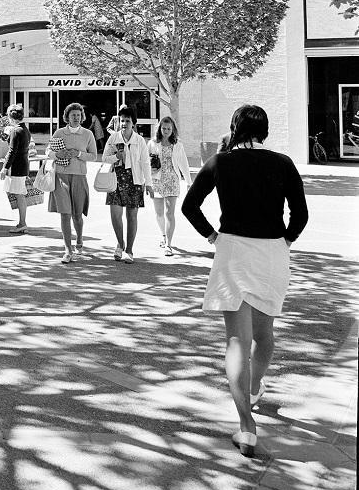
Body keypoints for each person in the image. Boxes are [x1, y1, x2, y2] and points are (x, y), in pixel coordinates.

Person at [182, 104, 308, 459]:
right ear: (264, 130)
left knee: (238, 338)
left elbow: (190, 206)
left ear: (234, 127)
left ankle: (246, 426)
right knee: (265, 333)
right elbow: (300, 214)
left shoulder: (220, 162)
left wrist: (212, 236)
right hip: (271, 253)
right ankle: (253, 389)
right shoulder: (283, 162)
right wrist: (286, 239)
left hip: (233, 249)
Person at [100, 104, 154, 263]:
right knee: (115, 215)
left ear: (133, 123)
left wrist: (149, 184)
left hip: (134, 181)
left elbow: (145, 163)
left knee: (131, 216)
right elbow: (104, 158)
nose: (124, 123)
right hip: (116, 180)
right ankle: (120, 243)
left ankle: (129, 250)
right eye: (122, 120)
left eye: (127, 121)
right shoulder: (113, 138)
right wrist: (117, 156)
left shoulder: (140, 141)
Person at [48, 103, 97, 263]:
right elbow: (48, 151)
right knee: (65, 214)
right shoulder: (59, 132)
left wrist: (79, 154)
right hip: (61, 176)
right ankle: (68, 250)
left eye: (78, 115)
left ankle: (80, 241)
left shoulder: (88, 134)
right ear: (67, 117)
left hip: (79, 177)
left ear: (82, 117)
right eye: (72, 115)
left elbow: (94, 156)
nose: (75, 118)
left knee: (77, 215)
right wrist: (57, 154)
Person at [148, 115, 191, 256]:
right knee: (159, 213)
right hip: (156, 180)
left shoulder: (178, 144)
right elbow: (145, 162)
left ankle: (169, 244)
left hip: (172, 180)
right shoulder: (153, 143)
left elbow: (184, 163)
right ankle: (163, 235)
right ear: (159, 128)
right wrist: (145, 181)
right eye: (164, 128)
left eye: (169, 129)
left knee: (169, 213)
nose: (166, 131)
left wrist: (189, 182)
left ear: (173, 130)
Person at [0, 103, 34, 234]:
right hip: (23, 165)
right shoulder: (25, 129)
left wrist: (4, 167)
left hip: (17, 167)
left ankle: (22, 223)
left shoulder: (15, 130)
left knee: (19, 195)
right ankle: (22, 223)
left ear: (11, 117)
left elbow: (12, 151)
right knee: (20, 194)